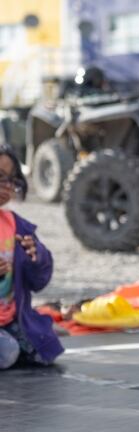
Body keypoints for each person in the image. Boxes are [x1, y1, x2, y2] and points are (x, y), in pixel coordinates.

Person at [0, 146, 63, 369]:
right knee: (8, 352)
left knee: (45, 348)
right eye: (0, 177)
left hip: (9, 319)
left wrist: (36, 257)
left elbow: (39, 281)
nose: (7, 186)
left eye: (12, 180)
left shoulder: (17, 225)